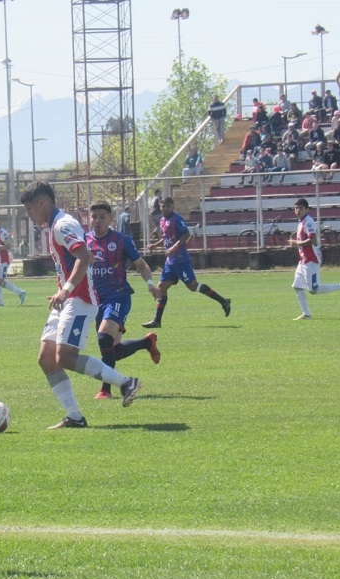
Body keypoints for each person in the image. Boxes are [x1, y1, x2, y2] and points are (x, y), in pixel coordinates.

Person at [19, 181, 141, 429]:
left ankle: (126, 382)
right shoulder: (56, 224)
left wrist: (66, 289)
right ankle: (74, 416)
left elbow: (84, 257)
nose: (29, 215)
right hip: (66, 299)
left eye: (30, 209)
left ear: (42, 203)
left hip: (80, 298)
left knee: (64, 356)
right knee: (46, 358)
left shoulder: (62, 225)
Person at [85, 202, 162, 399]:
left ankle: (106, 390)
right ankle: (147, 342)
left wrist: (150, 283)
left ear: (111, 219)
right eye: (94, 217)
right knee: (114, 351)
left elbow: (140, 264)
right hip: (97, 301)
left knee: (103, 338)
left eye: (102, 217)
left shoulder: (121, 240)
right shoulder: (84, 242)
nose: (98, 221)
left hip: (119, 296)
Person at [142, 196, 231, 328]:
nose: (164, 208)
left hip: (180, 260)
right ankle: (157, 321)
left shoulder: (177, 219)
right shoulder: (162, 220)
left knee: (193, 287)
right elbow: (167, 238)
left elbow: (185, 235)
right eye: (162, 206)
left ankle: (223, 301)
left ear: (172, 207)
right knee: (161, 288)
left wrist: (174, 247)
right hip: (170, 262)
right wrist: (155, 245)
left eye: (167, 206)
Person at [289, 198, 340, 320]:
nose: (298, 210)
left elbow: (313, 240)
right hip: (303, 260)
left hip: (311, 260)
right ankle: (307, 314)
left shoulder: (308, 222)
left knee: (314, 290)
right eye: (296, 208)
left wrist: (296, 243)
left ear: (306, 209)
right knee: (297, 286)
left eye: (301, 208)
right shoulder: (301, 222)